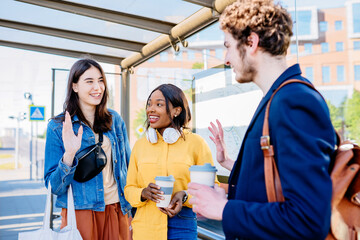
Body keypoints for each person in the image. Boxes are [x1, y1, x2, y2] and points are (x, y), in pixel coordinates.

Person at [187, 0, 337, 239]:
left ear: (251, 42)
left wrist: (224, 209)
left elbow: (309, 219)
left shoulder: (294, 101)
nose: (226, 59)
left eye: (228, 46)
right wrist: (228, 180)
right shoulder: (278, 98)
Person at [44, 58, 132, 240]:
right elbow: (54, 186)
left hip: (117, 208)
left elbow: (128, 167)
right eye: (89, 81)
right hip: (80, 212)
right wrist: (69, 154)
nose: (98, 87)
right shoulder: (57, 127)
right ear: (75, 86)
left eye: (101, 81)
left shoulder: (114, 120)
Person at [124, 83, 219, 240]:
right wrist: (142, 193)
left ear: (177, 110)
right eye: (149, 104)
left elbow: (211, 188)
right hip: (146, 228)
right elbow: (129, 189)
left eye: (159, 104)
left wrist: (185, 196)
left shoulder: (196, 143)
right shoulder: (140, 146)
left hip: (183, 225)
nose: (151, 109)